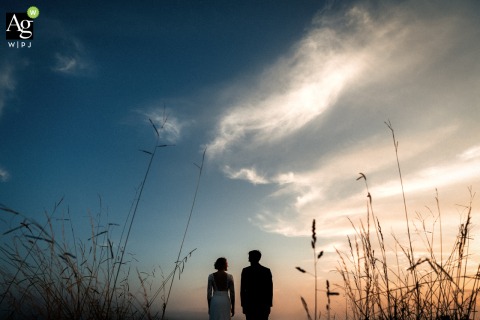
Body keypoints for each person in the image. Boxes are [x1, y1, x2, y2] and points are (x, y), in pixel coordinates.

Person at [240, 250, 273, 320]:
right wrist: (269, 305)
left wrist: (243, 305)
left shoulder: (245, 271)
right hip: (263, 305)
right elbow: (269, 290)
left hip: (249, 305)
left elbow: (242, 289)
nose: (248, 258)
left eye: (249, 257)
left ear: (252, 258)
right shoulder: (266, 270)